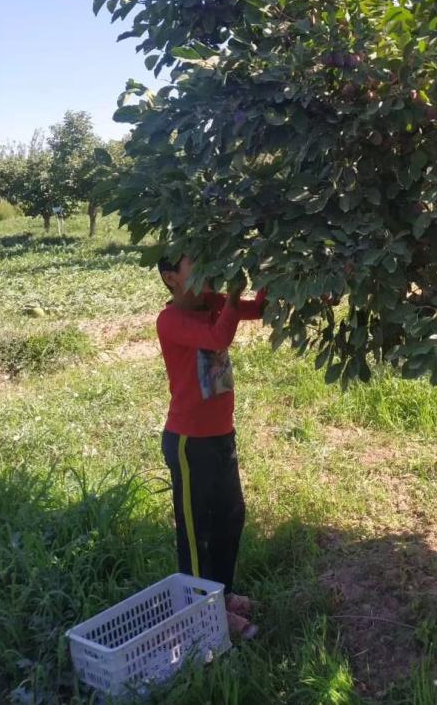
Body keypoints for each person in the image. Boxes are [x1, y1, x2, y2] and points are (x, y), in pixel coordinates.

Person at [157, 255, 266, 641]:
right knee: (196, 531)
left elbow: (260, 308)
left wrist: (273, 272)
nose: (207, 269)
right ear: (171, 278)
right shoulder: (170, 320)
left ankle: (221, 594)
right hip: (189, 443)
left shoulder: (214, 303)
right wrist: (233, 293)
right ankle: (205, 615)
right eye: (194, 265)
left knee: (231, 516)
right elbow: (219, 337)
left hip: (222, 434)